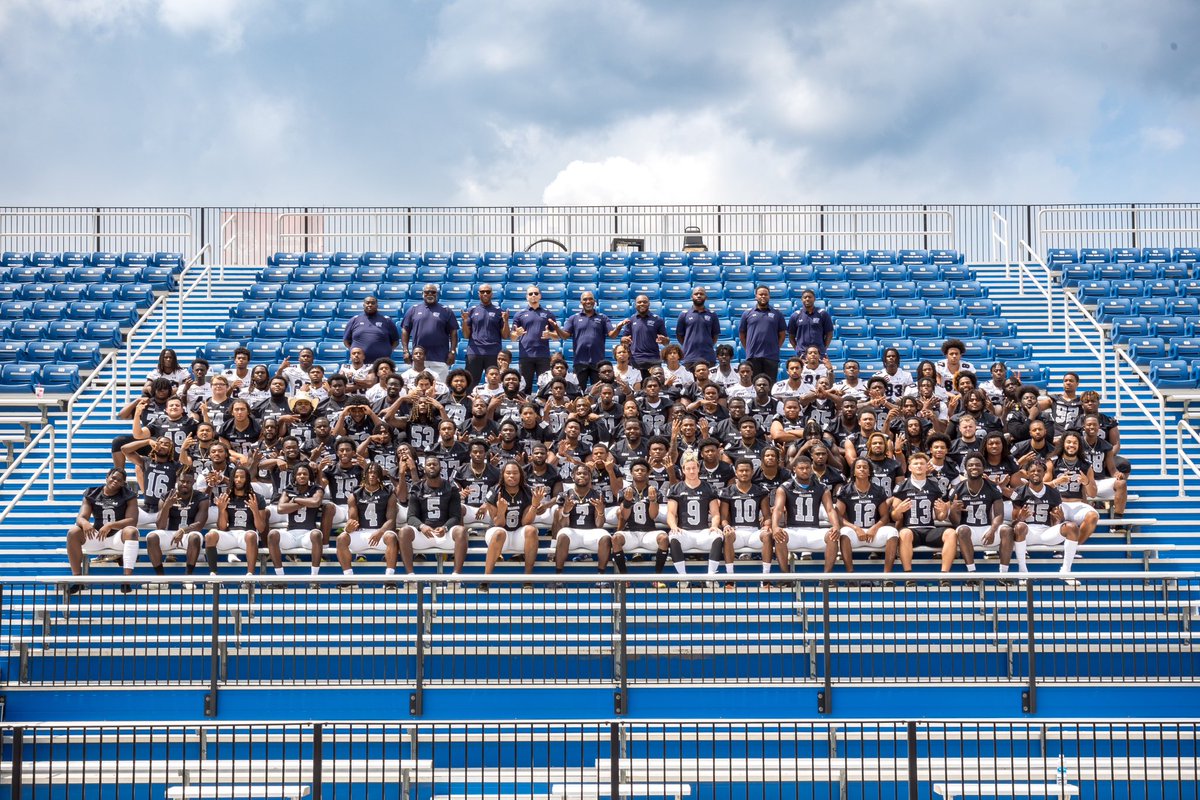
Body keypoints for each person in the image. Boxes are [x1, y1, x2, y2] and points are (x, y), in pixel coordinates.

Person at [65, 468, 139, 594]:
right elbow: (81, 517)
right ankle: (78, 580)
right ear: (107, 477)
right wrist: (85, 523)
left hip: (117, 537)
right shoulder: (92, 493)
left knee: (131, 531)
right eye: (113, 478)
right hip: (98, 536)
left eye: (119, 480)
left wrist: (111, 525)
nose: (115, 481)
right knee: (73, 532)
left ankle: (127, 580)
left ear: (123, 483)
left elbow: (132, 520)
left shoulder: (128, 495)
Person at [481, 462, 546, 589]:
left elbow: (526, 523)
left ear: (521, 475)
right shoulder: (494, 491)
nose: (512, 476)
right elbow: (497, 523)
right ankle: (485, 579)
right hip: (497, 534)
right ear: (503, 475)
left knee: (532, 530)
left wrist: (534, 505)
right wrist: (501, 511)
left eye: (515, 473)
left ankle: (527, 578)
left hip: (517, 533)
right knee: (499, 532)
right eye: (508, 473)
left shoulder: (527, 491)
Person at [398, 456, 468, 576]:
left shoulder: (451, 488)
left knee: (461, 531)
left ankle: (456, 577)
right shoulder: (417, 488)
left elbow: (456, 516)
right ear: (424, 468)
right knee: (404, 531)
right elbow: (411, 517)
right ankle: (410, 576)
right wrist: (422, 526)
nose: (431, 466)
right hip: (424, 534)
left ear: (440, 468)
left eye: (434, 464)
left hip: (445, 534)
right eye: (428, 464)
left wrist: (445, 527)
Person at [770, 456, 840, 573]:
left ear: (811, 469)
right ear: (794, 469)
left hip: (814, 531)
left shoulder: (821, 487)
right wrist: (775, 527)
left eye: (807, 468)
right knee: (780, 537)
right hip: (794, 530)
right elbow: (778, 509)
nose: (805, 471)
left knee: (832, 536)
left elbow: (830, 510)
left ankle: (827, 577)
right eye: (801, 468)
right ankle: (785, 575)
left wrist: (836, 526)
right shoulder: (785, 487)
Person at [663, 456, 726, 584]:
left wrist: (714, 525)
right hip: (685, 532)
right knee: (673, 537)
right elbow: (670, 513)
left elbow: (715, 513)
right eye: (688, 468)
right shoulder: (676, 488)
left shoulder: (708, 488)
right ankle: (683, 578)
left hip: (702, 532)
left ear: (698, 469)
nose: (691, 471)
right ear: (683, 470)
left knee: (718, 536)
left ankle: (711, 577)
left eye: (694, 468)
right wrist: (673, 526)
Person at [1011, 459, 1077, 578]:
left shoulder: (1053, 492)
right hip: (1027, 533)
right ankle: (1022, 571)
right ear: (1027, 473)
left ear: (1044, 473)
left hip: (1046, 532)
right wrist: (1020, 518)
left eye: (1039, 471)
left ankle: (1066, 571)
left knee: (1071, 527)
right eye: (1032, 471)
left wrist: (1059, 521)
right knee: (1020, 526)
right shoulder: (1019, 492)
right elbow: (1014, 522)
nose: (1035, 473)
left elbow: (1055, 519)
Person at [336, 463, 401, 584]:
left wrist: (380, 532)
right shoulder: (354, 494)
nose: (372, 475)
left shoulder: (388, 493)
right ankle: (349, 577)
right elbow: (353, 519)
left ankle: (389, 578)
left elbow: (391, 520)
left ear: (380, 476)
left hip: (381, 533)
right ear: (364, 475)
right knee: (341, 538)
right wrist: (349, 527)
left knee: (391, 537)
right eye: (369, 472)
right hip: (361, 533)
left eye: (375, 473)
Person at [892, 452, 954, 579]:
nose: (919, 466)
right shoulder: (902, 486)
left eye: (922, 464)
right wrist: (899, 510)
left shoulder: (934, 486)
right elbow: (894, 517)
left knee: (951, 533)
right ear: (909, 467)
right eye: (916, 464)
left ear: (927, 467)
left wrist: (943, 511)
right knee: (904, 533)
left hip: (929, 529)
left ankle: (944, 575)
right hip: (911, 531)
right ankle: (908, 575)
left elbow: (940, 517)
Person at [951, 453, 1014, 577]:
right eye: (970, 465)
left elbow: (999, 514)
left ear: (983, 468)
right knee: (962, 530)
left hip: (987, 528)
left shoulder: (993, 488)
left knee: (1007, 530)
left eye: (977, 465)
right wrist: (953, 510)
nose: (974, 467)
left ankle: (1004, 574)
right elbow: (955, 523)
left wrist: (992, 530)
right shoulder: (957, 489)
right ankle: (972, 573)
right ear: (965, 468)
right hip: (968, 531)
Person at [145, 470, 211, 586]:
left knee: (195, 537)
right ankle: (161, 579)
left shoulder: (201, 497)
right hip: (171, 534)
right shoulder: (167, 495)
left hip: (188, 535)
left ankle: (188, 578)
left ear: (194, 482)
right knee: (152, 537)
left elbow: (199, 524)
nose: (185, 484)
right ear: (177, 481)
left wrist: (183, 530)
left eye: (188, 482)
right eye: (182, 481)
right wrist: (166, 507)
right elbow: (160, 526)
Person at [836, 458, 899, 575]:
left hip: (873, 533)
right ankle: (850, 575)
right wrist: (855, 528)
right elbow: (838, 516)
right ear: (853, 472)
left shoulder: (878, 490)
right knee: (844, 532)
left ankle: (887, 576)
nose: (862, 469)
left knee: (893, 532)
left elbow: (885, 516)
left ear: (870, 472)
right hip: (855, 534)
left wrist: (875, 527)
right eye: (858, 467)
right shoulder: (846, 490)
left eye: (865, 467)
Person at [552, 464, 615, 579]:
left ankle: (600, 577)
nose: (582, 476)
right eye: (579, 473)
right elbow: (563, 524)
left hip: (591, 531)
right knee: (562, 535)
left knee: (606, 537)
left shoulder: (597, 495)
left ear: (590, 477)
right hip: (572, 531)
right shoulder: (565, 495)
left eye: (585, 474)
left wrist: (601, 512)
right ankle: (558, 576)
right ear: (573, 476)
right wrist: (566, 511)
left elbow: (599, 525)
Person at [205, 466, 266, 577]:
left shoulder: (257, 498)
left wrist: (255, 510)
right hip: (230, 534)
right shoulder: (226, 497)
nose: (238, 479)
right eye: (236, 477)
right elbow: (222, 527)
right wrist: (221, 510)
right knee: (210, 535)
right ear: (232, 479)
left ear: (247, 479)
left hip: (248, 536)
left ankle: (250, 575)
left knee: (251, 535)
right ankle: (213, 574)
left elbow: (261, 528)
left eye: (242, 477)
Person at [400, 284, 458, 382]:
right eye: (427, 292)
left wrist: (452, 352)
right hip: (419, 360)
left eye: (433, 292)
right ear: (423, 294)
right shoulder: (413, 309)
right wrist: (406, 351)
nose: (430, 294)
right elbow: (405, 330)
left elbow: (453, 332)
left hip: (440, 359)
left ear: (437, 294)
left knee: (440, 390)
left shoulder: (446, 311)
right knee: (418, 389)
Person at [560, 291, 614, 389]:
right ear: (581, 302)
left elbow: (612, 335)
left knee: (598, 391)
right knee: (578, 392)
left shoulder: (602, 318)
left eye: (590, 299)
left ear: (595, 301)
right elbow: (565, 336)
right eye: (585, 299)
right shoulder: (573, 318)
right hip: (580, 362)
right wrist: (556, 328)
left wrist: (618, 327)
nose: (588, 301)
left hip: (598, 362)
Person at [510, 286, 558, 394]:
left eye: (536, 293)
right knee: (524, 387)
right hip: (526, 356)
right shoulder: (519, 314)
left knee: (545, 387)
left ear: (540, 296)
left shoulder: (548, 314)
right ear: (526, 297)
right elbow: (512, 338)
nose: (533, 296)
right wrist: (516, 334)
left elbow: (557, 336)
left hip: (543, 356)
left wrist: (550, 334)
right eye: (530, 294)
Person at [461, 283, 509, 387]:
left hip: (493, 352)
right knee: (470, 384)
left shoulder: (499, 311)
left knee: (495, 383)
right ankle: (468, 403)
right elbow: (465, 335)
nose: (485, 294)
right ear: (478, 294)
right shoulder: (472, 311)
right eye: (482, 292)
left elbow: (505, 336)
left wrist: (505, 321)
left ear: (492, 294)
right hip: (475, 352)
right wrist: (464, 321)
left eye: (488, 291)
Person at [612, 295, 669, 378]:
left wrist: (664, 340)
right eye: (639, 302)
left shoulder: (658, 320)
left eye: (645, 302)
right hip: (635, 361)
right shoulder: (630, 320)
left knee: (652, 388)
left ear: (649, 304)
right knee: (637, 388)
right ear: (635, 305)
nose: (642, 304)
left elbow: (667, 342)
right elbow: (623, 341)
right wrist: (624, 340)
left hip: (653, 361)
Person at [739, 286, 787, 381]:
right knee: (754, 384)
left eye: (766, 294)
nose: (763, 296)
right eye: (761, 294)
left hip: (771, 356)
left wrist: (775, 348)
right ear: (756, 296)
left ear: (769, 296)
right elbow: (742, 334)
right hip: (753, 355)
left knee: (770, 384)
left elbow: (782, 334)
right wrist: (748, 348)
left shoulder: (777, 314)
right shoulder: (747, 314)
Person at [343, 296, 400, 364]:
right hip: (360, 364)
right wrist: (354, 352)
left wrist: (388, 351)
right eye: (368, 303)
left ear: (377, 305)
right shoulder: (354, 320)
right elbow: (346, 340)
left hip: (381, 365)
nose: (370, 305)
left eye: (373, 303)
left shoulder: (386, 320)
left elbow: (395, 341)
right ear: (364, 305)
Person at [675, 287, 720, 369]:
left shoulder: (712, 315)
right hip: (689, 357)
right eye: (696, 294)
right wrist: (688, 344)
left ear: (706, 297)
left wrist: (706, 344)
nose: (699, 296)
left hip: (708, 357)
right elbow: (679, 335)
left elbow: (715, 336)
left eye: (701, 294)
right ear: (692, 297)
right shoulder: (684, 315)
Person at [787, 289, 833, 358]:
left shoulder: (823, 314)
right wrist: (797, 349)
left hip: (819, 354)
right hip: (801, 354)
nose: (807, 299)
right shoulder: (795, 315)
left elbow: (829, 333)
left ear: (814, 299)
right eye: (805, 297)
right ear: (802, 299)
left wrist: (824, 348)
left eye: (810, 297)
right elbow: (791, 336)